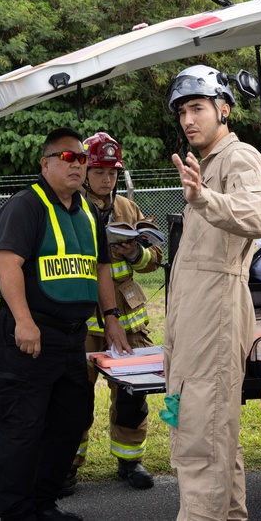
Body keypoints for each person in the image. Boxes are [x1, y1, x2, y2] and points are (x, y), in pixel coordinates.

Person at [0, 127, 132, 521]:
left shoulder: (87, 210)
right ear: (45, 163)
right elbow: (7, 264)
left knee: (67, 426)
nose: (77, 164)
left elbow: (102, 267)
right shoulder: (26, 205)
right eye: (67, 158)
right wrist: (23, 321)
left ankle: (43, 504)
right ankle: (17, 512)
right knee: (23, 430)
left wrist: (112, 317)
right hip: (31, 338)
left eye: (81, 158)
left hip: (73, 340)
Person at [164, 65, 261, 520]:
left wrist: (203, 199)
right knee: (211, 437)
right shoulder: (206, 164)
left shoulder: (239, 158)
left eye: (198, 108)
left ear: (223, 109)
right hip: (193, 319)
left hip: (215, 315)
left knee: (201, 440)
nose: (188, 120)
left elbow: (258, 214)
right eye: (182, 112)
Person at [68, 132, 162, 492]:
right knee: (75, 397)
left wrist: (135, 254)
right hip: (83, 323)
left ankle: (129, 461)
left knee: (132, 397)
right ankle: (69, 463)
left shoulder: (128, 209)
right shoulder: (69, 206)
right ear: (86, 170)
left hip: (128, 321)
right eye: (101, 171)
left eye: (113, 172)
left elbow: (154, 258)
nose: (107, 179)